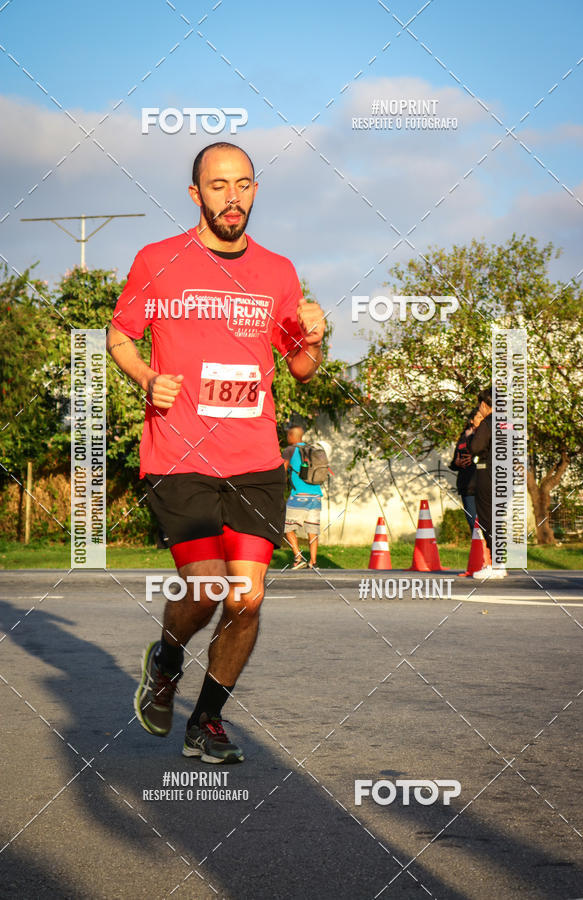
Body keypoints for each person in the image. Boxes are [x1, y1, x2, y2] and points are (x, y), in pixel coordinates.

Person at [106, 142, 326, 763]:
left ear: (255, 191)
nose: (233, 196)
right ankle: (168, 658)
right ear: (195, 194)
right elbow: (120, 335)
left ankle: (206, 719)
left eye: (244, 184)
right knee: (204, 590)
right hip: (178, 455)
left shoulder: (278, 272)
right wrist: (148, 378)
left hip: (255, 459)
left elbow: (302, 368)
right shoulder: (158, 260)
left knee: (246, 595)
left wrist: (313, 332)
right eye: (218, 184)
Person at [468, 387, 507, 579]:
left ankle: (496, 565)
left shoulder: (489, 422)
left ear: (484, 405)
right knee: (497, 518)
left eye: (479, 405)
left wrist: (471, 438)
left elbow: (476, 447)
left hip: (487, 473)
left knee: (486, 518)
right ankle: (500, 563)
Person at [282, 425, 323, 569]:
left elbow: (283, 470)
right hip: (316, 496)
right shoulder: (312, 450)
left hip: (298, 495)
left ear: (293, 436)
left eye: (288, 435)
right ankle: (313, 562)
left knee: (287, 527)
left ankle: (298, 557)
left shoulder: (289, 450)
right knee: (313, 530)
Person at [449, 408, 482, 533]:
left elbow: (490, 457)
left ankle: (490, 549)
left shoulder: (485, 435)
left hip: (482, 483)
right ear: (472, 420)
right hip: (467, 485)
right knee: (472, 521)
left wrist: (473, 459)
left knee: (485, 521)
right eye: (478, 417)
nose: (482, 419)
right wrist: (456, 463)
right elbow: (454, 461)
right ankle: (478, 549)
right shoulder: (463, 437)